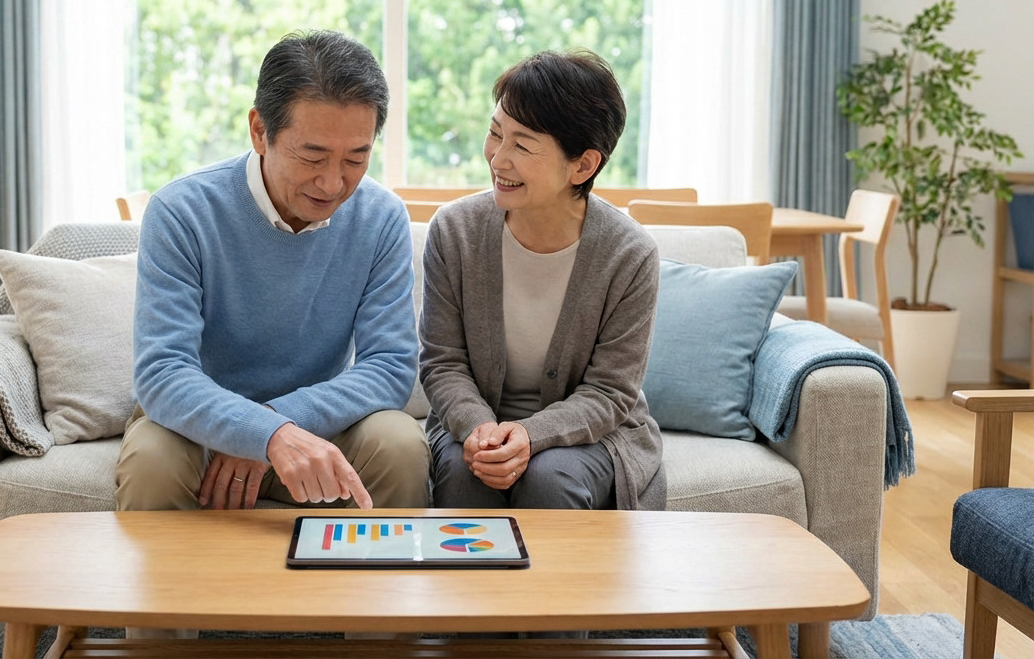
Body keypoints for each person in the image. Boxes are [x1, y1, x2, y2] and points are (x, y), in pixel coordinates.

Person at [116, 30, 430, 513]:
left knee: (399, 443)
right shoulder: (182, 210)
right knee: (152, 460)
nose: (333, 182)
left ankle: (371, 589)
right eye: (313, 155)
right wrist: (266, 435)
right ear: (260, 131)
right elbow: (163, 372)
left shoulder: (380, 217)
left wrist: (276, 425)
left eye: (356, 158)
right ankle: (176, 593)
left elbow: (388, 367)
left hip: (317, 428)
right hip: (197, 430)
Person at [420, 49, 666, 511]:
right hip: (473, 427)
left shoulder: (629, 254)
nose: (498, 158)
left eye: (523, 145)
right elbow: (443, 362)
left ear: (582, 165)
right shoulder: (455, 231)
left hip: (590, 437)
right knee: (462, 472)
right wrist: (479, 429)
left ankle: (560, 589)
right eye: (495, 133)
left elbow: (611, 392)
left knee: (550, 479)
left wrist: (531, 436)